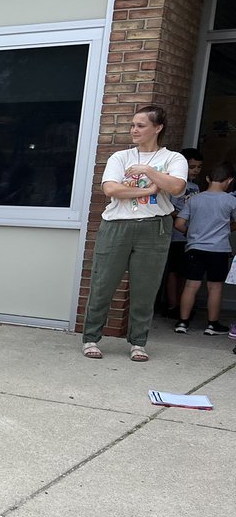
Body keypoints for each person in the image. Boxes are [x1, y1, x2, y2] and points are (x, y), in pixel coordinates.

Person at [81, 105, 188, 362]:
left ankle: (138, 343)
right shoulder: (120, 157)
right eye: (132, 125)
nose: (134, 130)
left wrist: (148, 171)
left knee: (145, 288)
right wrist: (149, 190)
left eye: (140, 125)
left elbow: (176, 187)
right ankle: (91, 338)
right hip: (117, 225)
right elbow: (111, 189)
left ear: (158, 128)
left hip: (154, 227)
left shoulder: (174, 159)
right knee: (103, 284)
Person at [173, 161, 236, 336]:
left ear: (207, 178)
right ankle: (212, 325)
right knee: (215, 287)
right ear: (229, 180)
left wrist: (192, 233)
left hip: (195, 248)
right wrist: (227, 229)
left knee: (191, 285)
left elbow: (178, 224)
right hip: (219, 250)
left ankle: (182, 322)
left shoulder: (194, 199)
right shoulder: (231, 201)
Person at [165, 148, 202, 321]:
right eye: (192, 167)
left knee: (185, 273)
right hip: (176, 235)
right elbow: (169, 208)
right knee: (174, 271)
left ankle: (182, 304)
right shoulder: (176, 185)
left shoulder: (195, 187)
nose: (196, 170)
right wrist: (181, 221)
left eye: (199, 167)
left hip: (190, 237)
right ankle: (173, 305)